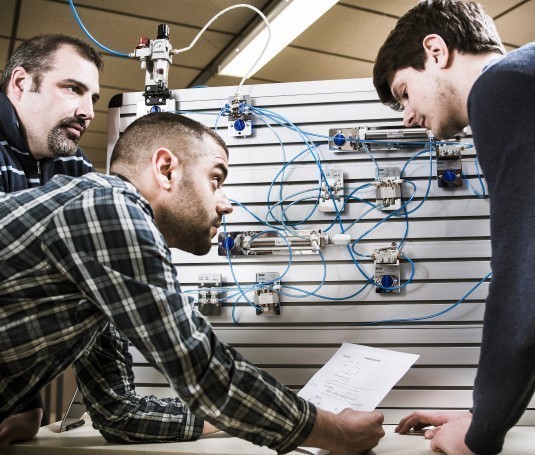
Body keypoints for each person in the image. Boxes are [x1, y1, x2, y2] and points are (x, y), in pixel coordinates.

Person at [0, 111, 385, 454]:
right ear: (166, 168)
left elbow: (118, 413)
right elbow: (201, 370)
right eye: (215, 179)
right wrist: (333, 432)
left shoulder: (100, 261)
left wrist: (232, 413)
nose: (226, 204)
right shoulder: (107, 207)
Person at [0, 34, 218, 447]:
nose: (87, 111)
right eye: (72, 89)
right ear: (21, 83)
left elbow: (116, 406)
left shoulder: (75, 171)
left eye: (94, 97)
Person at [373, 1, 535, 454]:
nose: (406, 116)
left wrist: (480, 432)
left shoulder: (501, 88)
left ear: (436, 50)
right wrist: (483, 413)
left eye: (404, 92)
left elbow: (525, 272)